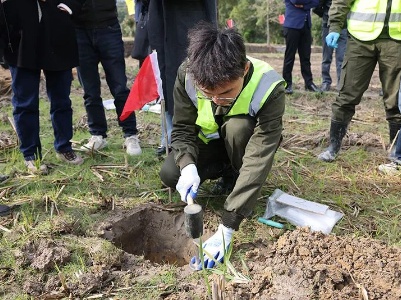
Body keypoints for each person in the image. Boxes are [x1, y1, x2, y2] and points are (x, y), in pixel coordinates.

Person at [159, 23, 285, 269]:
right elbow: (183, 128)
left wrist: (229, 223)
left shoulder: (269, 86)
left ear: (244, 69)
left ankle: (235, 177)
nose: (217, 101)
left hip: (243, 146)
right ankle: (219, 171)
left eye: (226, 93)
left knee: (238, 128)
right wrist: (187, 166)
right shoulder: (188, 74)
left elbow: (260, 154)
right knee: (169, 174)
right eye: (208, 94)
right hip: (210, 144)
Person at [1, 0, 83, 175]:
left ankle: (64, 147)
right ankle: (31, 155)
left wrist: (71, 6)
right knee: (25, 102)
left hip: (58, 30)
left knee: (61, 99)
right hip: (20, 35)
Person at [318, 0, 401, 162]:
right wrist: (334, 26)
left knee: (395, 101)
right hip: (360, 39)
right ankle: (333, 147)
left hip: (396, 40)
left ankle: (396, 152)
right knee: (346, 96)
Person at [147, 0, 217, 156]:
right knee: (166, 82)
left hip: (193, 22)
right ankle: (170, 137)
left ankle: (204, 135)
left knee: (198, 77)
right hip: (162, 21)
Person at [74, 0, 142, 156]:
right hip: (79, 31)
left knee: (119, 87)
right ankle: (97, 135)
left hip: (108, 27)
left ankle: (130, 134)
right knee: (90, 90)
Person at [282, 0, 322, 95]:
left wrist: (303, 5)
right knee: (289, 57)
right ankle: (287, 84)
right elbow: (296, 0)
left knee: (306, 57)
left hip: (306, 26)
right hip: (292, 25)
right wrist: (308, 3)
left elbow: (317, 2)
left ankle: (309, 83)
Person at [318, 0, 347, 91]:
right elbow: (317, 6)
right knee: (326, 57)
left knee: (341, 58)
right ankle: (326, 82)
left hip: (344, 26)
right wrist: (325, 15)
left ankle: (340, 83)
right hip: (327, 25)